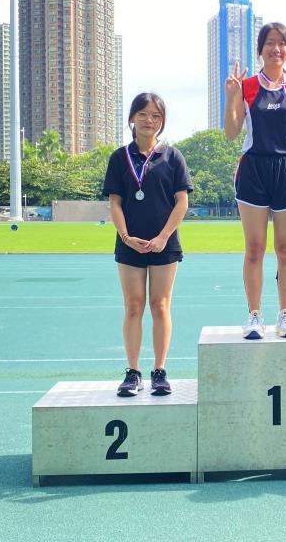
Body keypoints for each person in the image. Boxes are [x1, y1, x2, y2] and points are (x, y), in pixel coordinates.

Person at [223, 22, 286, 339]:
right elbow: (232, 132)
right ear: (260, 49)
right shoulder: (246, 86)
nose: (276, 48)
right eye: (270, 43)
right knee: (254, 249)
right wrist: (231, 97)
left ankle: (285, 315)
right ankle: (254, 316)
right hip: (253, 170)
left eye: (282, 43)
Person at [102, 92, 193, 397]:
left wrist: (163, 236)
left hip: (164, 243)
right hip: (130, 243)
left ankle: (159, 371)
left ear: (162, 122)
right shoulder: (119, 157)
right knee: (133, 306)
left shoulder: (173, 157)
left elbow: (182, 201)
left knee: (160, 305)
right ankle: (132, 372)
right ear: (132, 118)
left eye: (156, 116)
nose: (149, 120)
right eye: (143, 114)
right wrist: (127, 237)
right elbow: (115, 202)